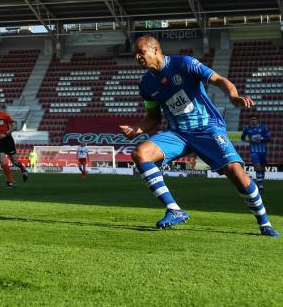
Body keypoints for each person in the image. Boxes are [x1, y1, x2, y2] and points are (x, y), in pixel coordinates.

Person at [120, 36, 279, 237]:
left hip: (207, 128)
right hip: (178, 134)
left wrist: (233, 95)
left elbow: (219, 80)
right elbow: (153, 118)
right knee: (141, 153)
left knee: (237, 173)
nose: (137, 57)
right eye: (135, 53)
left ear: (156, 50)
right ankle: (174, 210)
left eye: (141, 52)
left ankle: (264, 223)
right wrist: (136, 130)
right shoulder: (145, 84)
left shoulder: (183, 63)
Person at [0, 101, 28, 188]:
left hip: (7, 140)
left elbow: (14, 125)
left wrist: (7, 133)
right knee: (2, 162)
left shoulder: (5, 115)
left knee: (15, 161)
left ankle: (23, 169)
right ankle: (10, 181)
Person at [241, 114, 271, 190]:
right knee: (257, 167)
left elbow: (269, 138)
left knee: (262, 168)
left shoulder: (263, 128)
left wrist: (261, 138)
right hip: (253, 151)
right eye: (252, 119)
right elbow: (242, 138)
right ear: (249, 121)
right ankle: (260, 186)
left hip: (263, 151)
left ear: (257, 120)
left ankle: (261, 182)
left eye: (254, 119)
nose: (253, 120)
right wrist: (248, 140)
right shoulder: (247, 129)